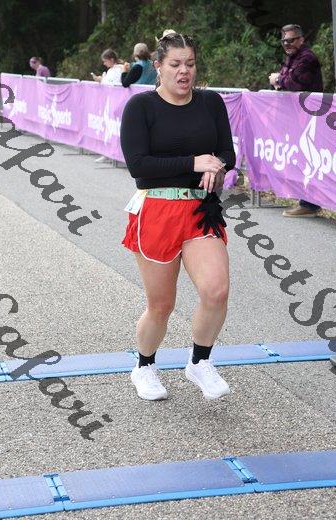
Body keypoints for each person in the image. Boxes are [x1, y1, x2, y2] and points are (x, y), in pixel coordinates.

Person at [120, 33, 236, 401]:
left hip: (201, 210)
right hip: (157, 210)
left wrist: (217, 165)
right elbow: (139, 167)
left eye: (190, 64)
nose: (184, 71)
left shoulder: (210, 102)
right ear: (158, 66)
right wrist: (193, 162)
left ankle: (199, 362)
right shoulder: (141, 107)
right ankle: (144, 366)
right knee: (161, 305)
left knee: (216, 291)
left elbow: (227, 152)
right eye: (175, 64)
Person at [268, 23, 323, 218]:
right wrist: (280, 80)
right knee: (301, 159)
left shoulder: (307, 58)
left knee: (309, 159)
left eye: (291, 40)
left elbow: (294, 83)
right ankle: (306, 202)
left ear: (301, 39)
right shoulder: (292, 57)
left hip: (310, 117)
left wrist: (277, 80)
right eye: (283, 41)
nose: (287, 44)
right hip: (297, 118)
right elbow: (286, 80)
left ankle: (310, 204)